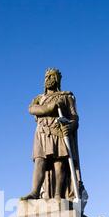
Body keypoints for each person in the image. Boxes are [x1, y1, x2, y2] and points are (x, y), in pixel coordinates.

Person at [21, 68, 84, 201]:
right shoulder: (39, 98)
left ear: (57, 79)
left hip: (58, 130)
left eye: (51, 77)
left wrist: (70, 127)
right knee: (39, 160)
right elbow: (32, 109)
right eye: (46, 77)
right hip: (42, 132)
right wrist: (50, 107)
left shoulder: (66, 97)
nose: (48, 80)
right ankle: (35, 191)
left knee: (59, 162)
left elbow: (75, 118)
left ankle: (57, 195)